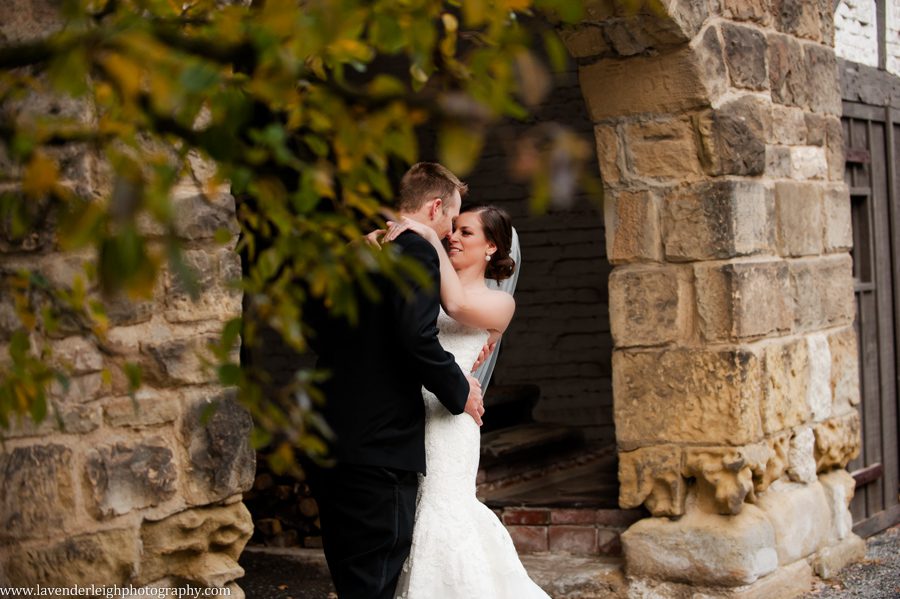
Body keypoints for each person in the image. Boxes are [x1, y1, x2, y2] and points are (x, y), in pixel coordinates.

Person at [305, 162, 485, 599]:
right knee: (376, 578)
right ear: (435, 207)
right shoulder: (417, 251)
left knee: (351, 576)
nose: (447, 236)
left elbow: (312, 327)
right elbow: (416, 337)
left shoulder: (359, 253)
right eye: (449, 223)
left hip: (327, 440)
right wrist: (461, 392)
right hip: (380, 447)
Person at [382, 205, 549, 599]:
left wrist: (427, 236)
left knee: (443, 509)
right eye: (451, 229)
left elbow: (456, 306)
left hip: (451, 422)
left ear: (492, 246)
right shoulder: (427, 286)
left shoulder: (499, 303)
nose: (453, 236)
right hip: (409, 412)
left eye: (466, 232)